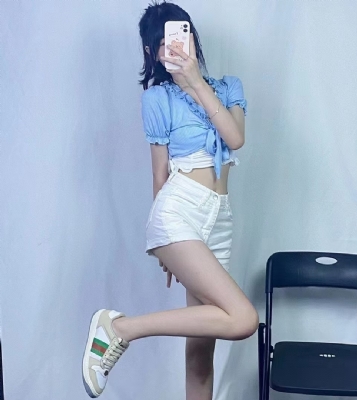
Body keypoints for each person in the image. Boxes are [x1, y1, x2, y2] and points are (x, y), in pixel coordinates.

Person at [82, 1, 259, 399]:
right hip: (179, 211)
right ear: (152, 52)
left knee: (200, 355)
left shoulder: (228, 87)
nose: (176, 47)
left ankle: (119, 329)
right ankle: (121, 328)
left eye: (182, 36)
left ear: (193, 38)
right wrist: (169, 249)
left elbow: (235, 138)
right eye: (164, 43)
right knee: (243, 318)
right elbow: (159, 173)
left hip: (219, 221)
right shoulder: (156, 99)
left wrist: (196, 82)